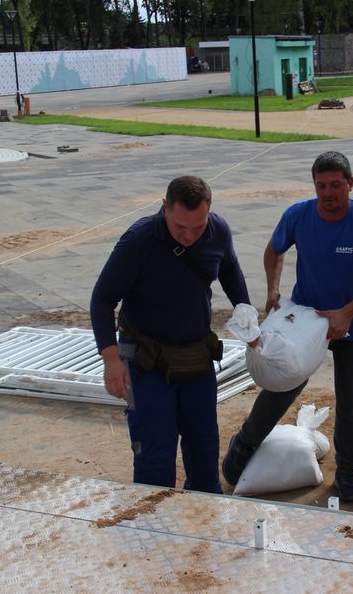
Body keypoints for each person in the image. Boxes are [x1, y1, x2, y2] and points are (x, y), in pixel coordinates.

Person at [222, 151, 353, 502]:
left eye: (336, 185)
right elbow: (274, 251)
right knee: (281, 383)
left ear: (350, 183)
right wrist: (273, 289)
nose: (328, 192)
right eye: (321, 186)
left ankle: (346, 470)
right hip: (305, 320)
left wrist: (346, 313)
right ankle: (245, 444)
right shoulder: (299, 215)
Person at [90, 176, 250, 494]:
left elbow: (229, 267)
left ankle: (204, 517)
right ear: (165, 208)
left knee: (204, 445)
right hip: (142, 359)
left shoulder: (218, 230)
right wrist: (110, 359)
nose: (190, 236)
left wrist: (242, 304)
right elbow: (102, 298)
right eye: (180, 227)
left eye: (198, 226)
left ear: (210, 211)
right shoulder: (139, 240)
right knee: (153, 450)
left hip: (194, 355)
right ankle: (153, 526)